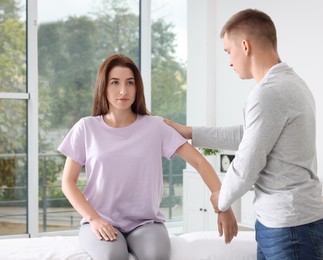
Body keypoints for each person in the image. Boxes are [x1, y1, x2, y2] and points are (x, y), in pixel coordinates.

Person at [164, 8, 323, 260]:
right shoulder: (292, 83)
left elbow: (246, 165)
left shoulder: (268, 93)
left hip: (290, 226)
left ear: (245, 45)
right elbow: (249, 134)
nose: (229, 61)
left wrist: (221, 200)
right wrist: (190, 133)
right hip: (286, 222)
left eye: (228, 51)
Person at [58, 53, 237, 260]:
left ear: (137, 88)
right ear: (103, 87)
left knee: (156, 256)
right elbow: (68, 183)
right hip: (100, 219)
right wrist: (94, 219)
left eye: (130, 83)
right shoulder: (86, 128)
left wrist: (223, 205)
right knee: (112, 256)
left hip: (145, 223)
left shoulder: (156, 126)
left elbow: (199, 161)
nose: (123, 90)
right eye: (115, 82)